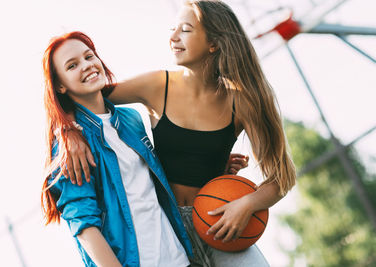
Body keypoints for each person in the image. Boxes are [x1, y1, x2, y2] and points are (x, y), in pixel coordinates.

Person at [63, 0, 297, 266]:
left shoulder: (242, 102)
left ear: (214, 43)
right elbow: (85, 96)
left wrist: (247, 205)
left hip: (221, 222)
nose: (173, 37)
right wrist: (67, 129)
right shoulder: (157, 85)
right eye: (173, 29)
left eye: (185, 29)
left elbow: (281, 179)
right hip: (169, 231)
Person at [40, 31, 193, 267]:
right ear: (60, 85)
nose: (87, 66)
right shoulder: (69, 146)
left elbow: (157, 180)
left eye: (89, 57)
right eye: (72, 65)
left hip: (180, 258)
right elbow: (83, 225)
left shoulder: (131, 119)